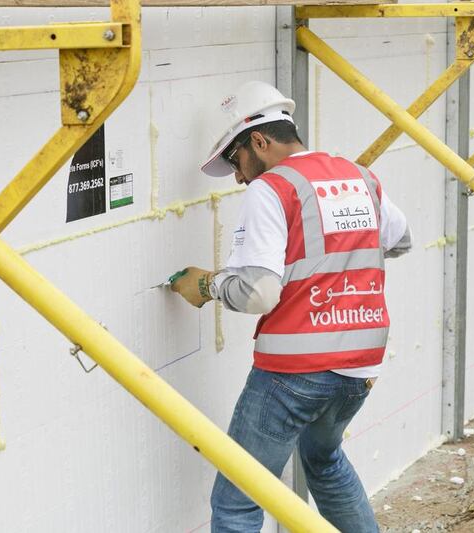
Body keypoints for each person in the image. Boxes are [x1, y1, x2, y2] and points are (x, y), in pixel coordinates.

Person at [170, 80, 411, 532]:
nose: (239, 175)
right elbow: (400, 240)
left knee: (239, 498)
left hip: (294, 370)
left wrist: (207, 285)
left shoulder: (271, 188)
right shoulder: (357, 175)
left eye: (235, 160)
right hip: (359, 368)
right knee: (325, 461)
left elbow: (259, 293)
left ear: (258, 141)